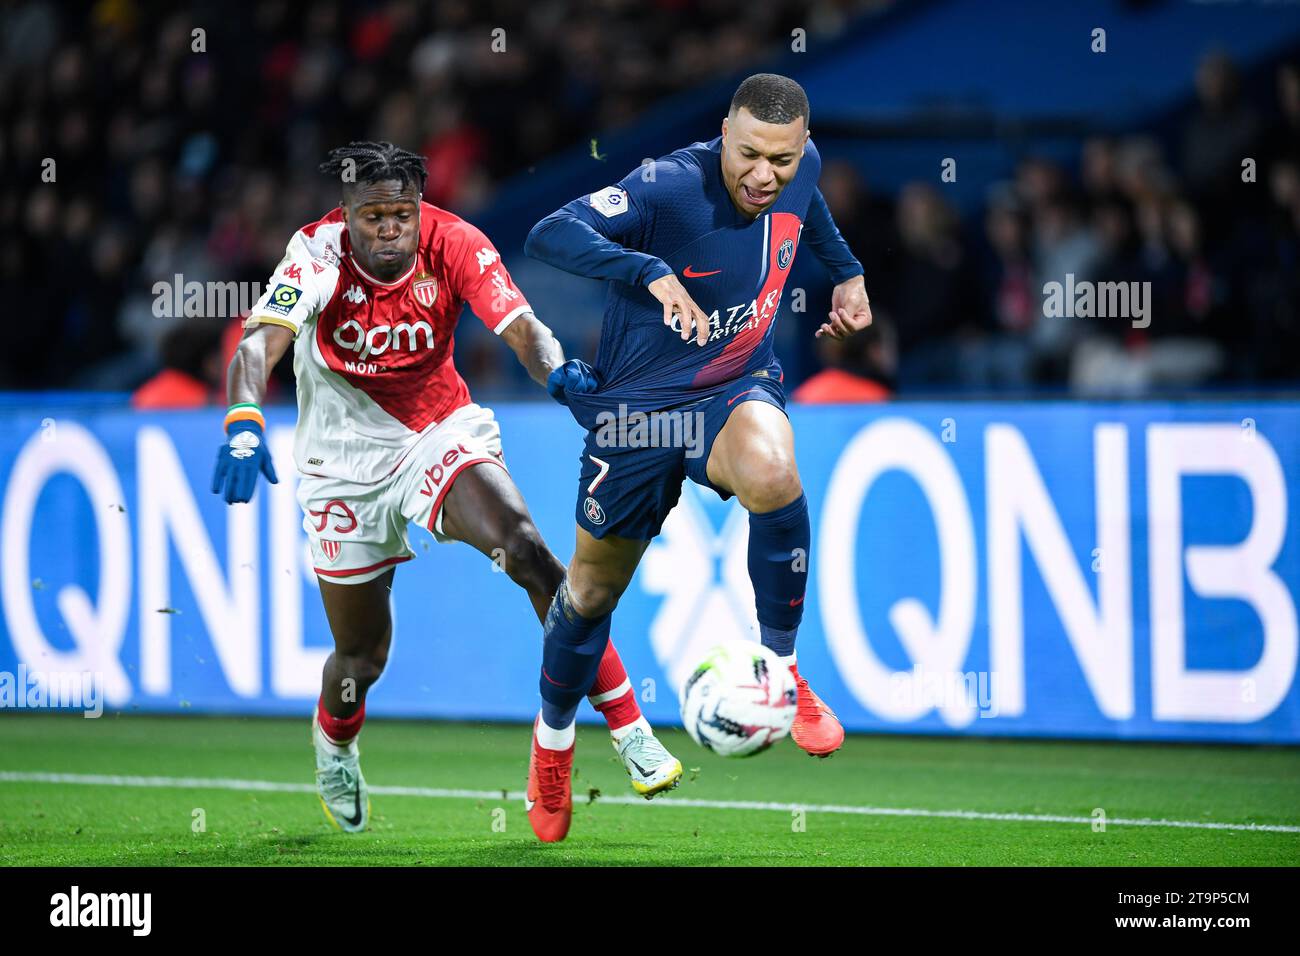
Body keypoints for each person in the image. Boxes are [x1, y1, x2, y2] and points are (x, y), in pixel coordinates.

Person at [210, 142, 681, 835]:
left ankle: (627, 726)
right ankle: (335, 742)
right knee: (361, 658)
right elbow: (259, 343)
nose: (390, 229)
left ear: (419, 208)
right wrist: (245, 422)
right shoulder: (314, 255)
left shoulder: (455, 242)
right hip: (340, 466)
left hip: (437, 434)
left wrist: (555, 372)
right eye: (373, 217)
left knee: (524, 547)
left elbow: (521, 326)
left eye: (402, 213)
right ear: (346, 215)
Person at [523, 74, 872, 841]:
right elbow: (549, 231)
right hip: (637, 418)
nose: (764, 176)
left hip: (732, 387)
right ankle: (552, 747)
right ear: (723, 132)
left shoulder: (800, 167)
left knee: (775, 473)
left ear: (800, 146)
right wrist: (647, 269)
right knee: (587, 594)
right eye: (748, 154)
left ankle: (778, 670)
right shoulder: (668, 187)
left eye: (781, 160)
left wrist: (845, 271)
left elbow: (805, 208)